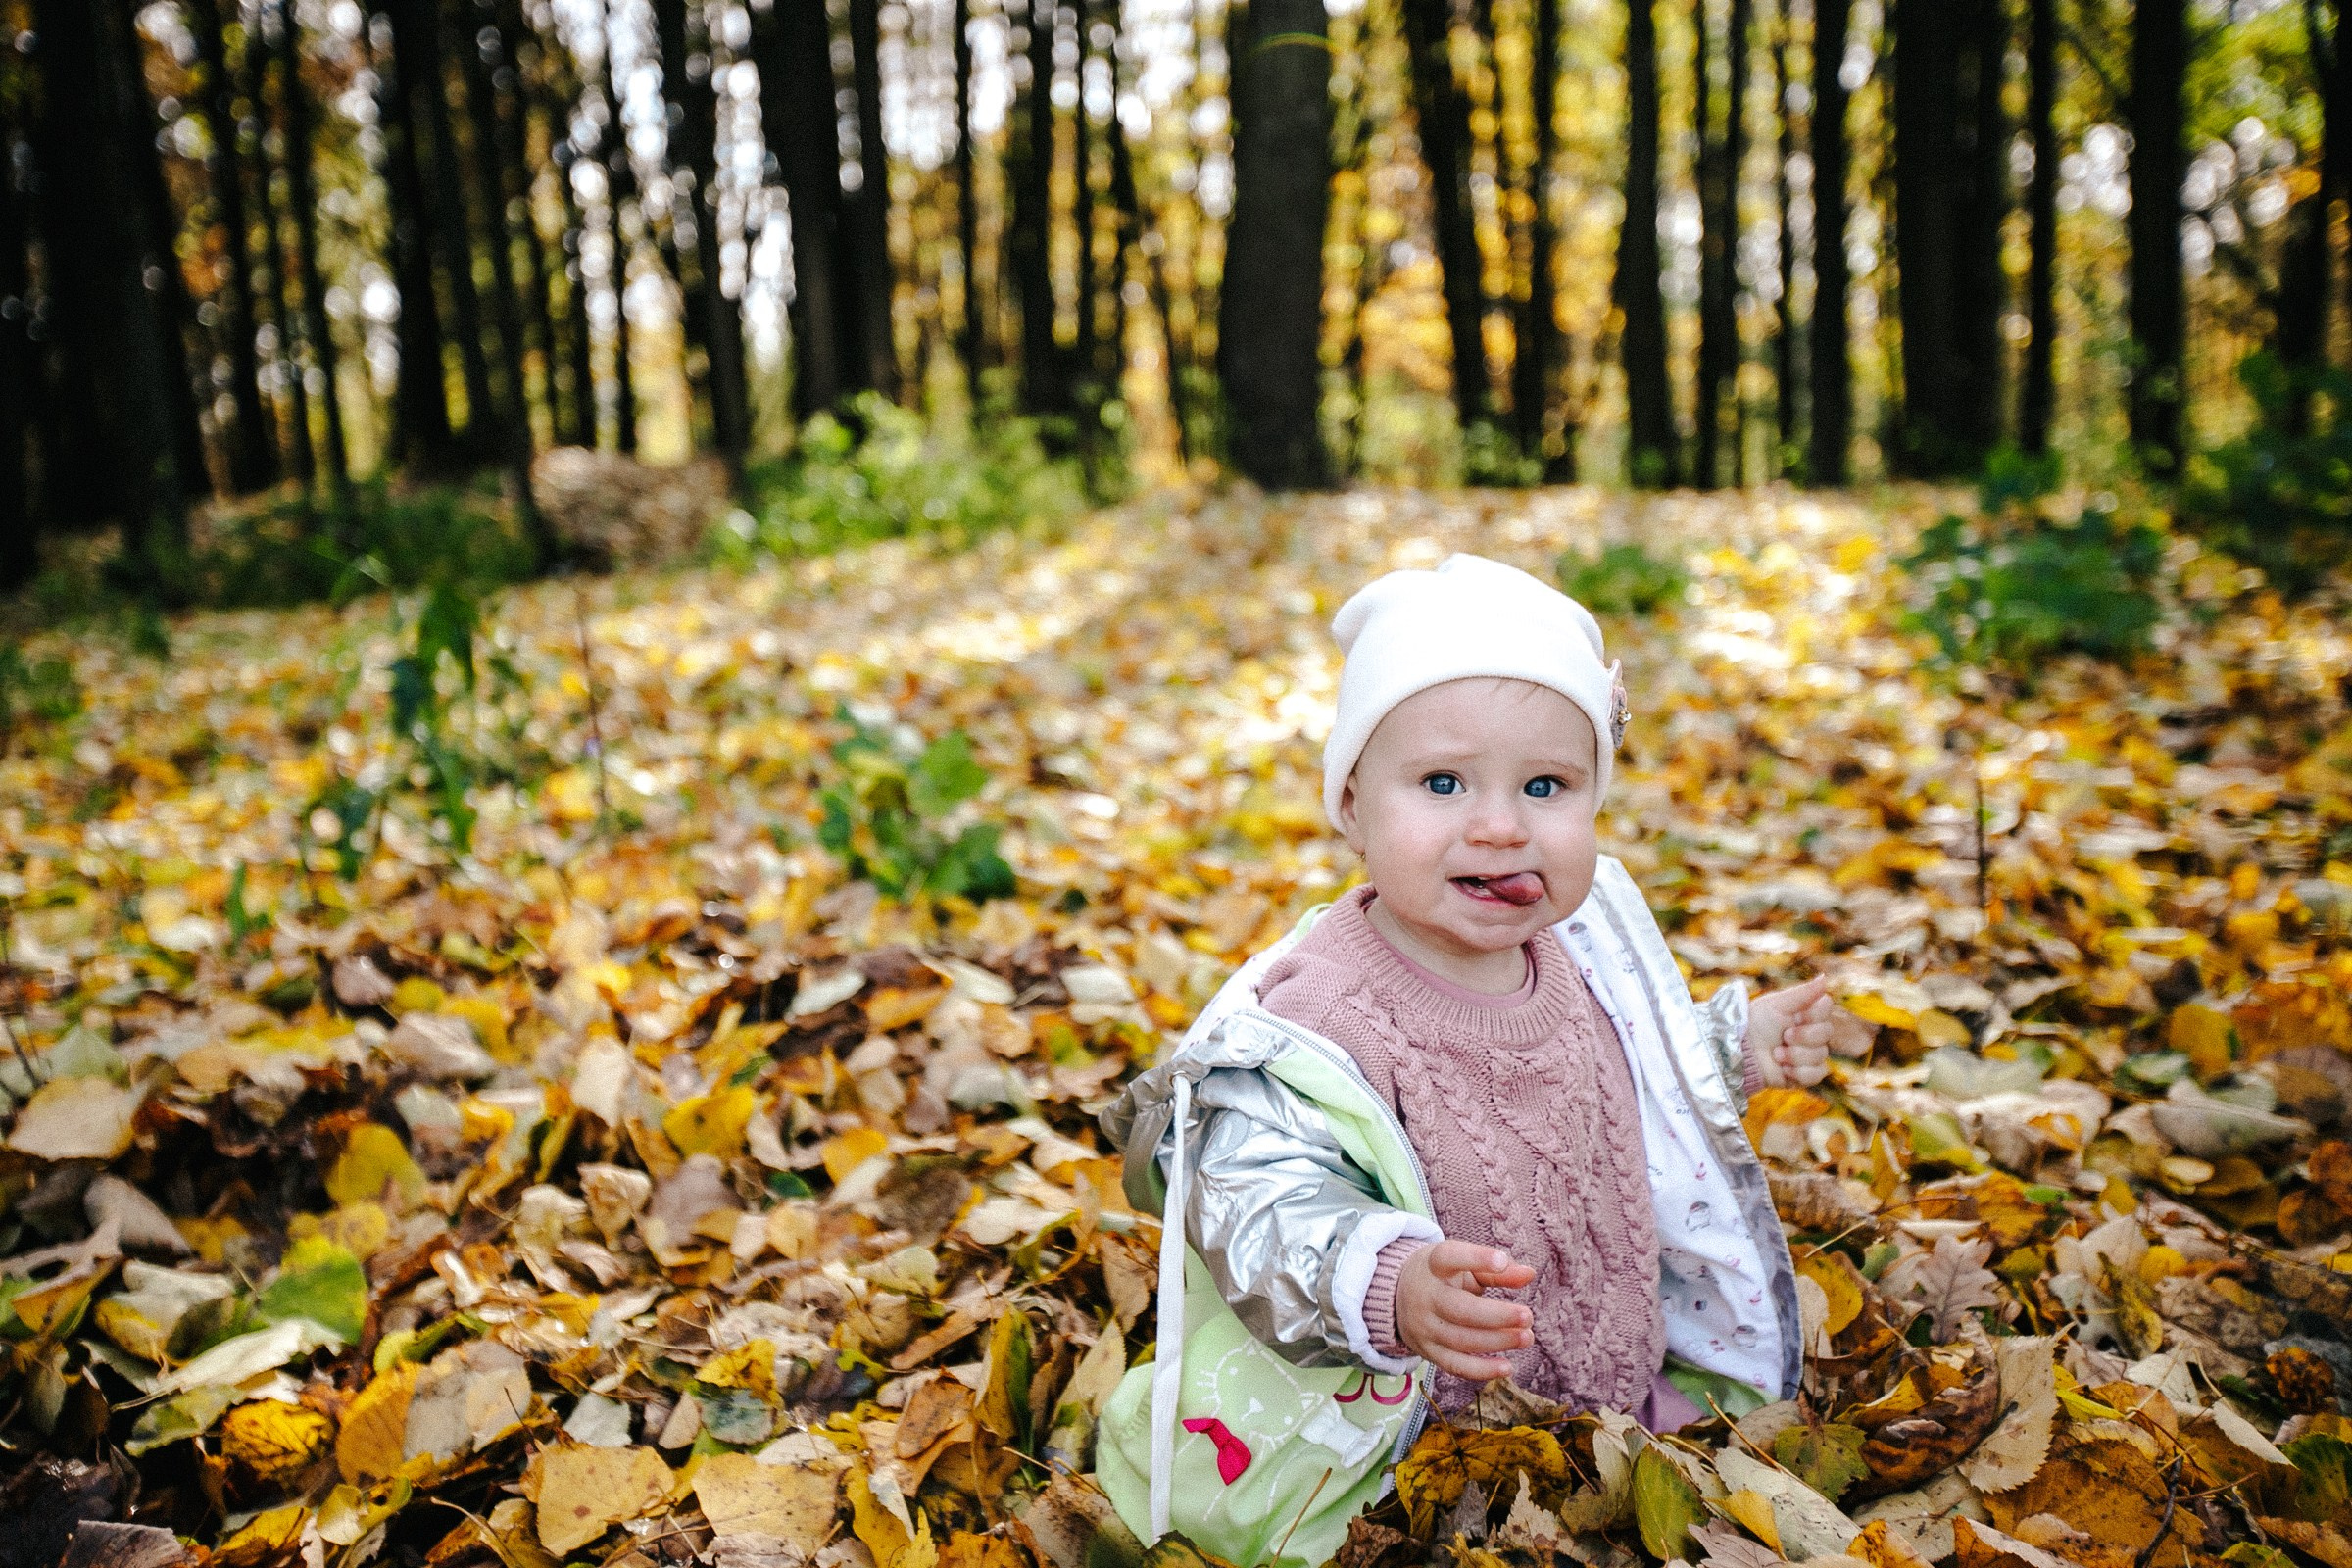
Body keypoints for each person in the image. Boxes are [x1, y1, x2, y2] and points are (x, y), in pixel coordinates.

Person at [1095, 554, 1870, 1568]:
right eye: (1444, 782)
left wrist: (1735, 1046)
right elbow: (1259, 1196)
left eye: (1546, 785)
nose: (1501, 825)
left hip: (1608, 1398)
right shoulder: (1321, 1012)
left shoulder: (1581, 951)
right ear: (1352, 804)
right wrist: (1390, 1281)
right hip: (1423, 1453)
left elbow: (1629, 1087)